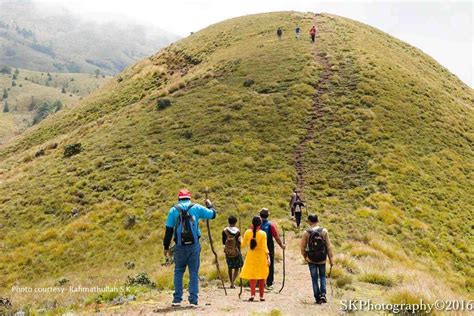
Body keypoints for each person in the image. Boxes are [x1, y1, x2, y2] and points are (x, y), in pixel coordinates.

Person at [163, 189, 217, 307]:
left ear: (179, 198)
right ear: (189, 198)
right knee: (193, 272)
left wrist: (166, 247)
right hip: (194, 245)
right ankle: (193, 300)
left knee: (178, 272)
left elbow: (168, 231)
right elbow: (213, 214)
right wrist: (210, 205)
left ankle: (177, 299)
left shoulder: (173, 210)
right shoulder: (196, 208)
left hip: (179, 246)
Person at [300, 214, 334, 304]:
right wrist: (331, 259)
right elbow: (329, 246)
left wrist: (305, 256)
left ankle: (317, 298)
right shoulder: (324, 231)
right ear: (317, 220)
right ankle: (323, 295)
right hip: (322, 258)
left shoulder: (306, 233)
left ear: (309, 221)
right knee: (322, 276)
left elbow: (302, 247)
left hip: (311, 259)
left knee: (314, 278)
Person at [240, 216, 270, 301]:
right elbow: (265, 247)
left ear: (252, 223)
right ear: (260, 224)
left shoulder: (247, 232)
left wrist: (240, 239)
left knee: (252, 276)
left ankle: (252, 295)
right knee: (261, 276)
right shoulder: (263, 234)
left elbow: (242, 245)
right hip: (261, 256)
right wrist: (268, 257)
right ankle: (261, 296)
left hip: (251, 256)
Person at [259, 208, 285, 289]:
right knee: (270, 263)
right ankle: (269, 282)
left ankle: (259, 281)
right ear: (268, 215)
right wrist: (282, 245)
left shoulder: (257, 224)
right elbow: (276, 237)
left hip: (259, 246)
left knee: (260, 263)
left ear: (260, 215)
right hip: (269, 245)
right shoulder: (271, 225)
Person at [222, 215, 243, 289]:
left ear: (228, 222)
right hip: (236, 251)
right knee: (237, 267)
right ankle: (232, 283)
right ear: (235, 222)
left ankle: (230, 281)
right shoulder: (237, 231)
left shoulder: (224, 231)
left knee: (229, 267)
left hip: (228, 251)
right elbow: (239, 242)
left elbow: (223, 242)